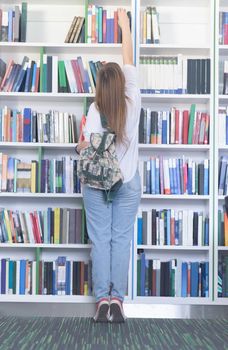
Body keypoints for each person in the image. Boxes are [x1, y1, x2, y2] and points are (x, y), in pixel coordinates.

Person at [77, 8, 141, 323]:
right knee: (121, 240)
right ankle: (118, 301)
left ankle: (102, 301)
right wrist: (124, 25)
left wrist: (81, 143)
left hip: (96, 185)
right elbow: (127, 59)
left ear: (101, 88)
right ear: (122, 84)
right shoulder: (134, 100)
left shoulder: (93, 109)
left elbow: (86, 146)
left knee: (100, 240)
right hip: (127, 182)